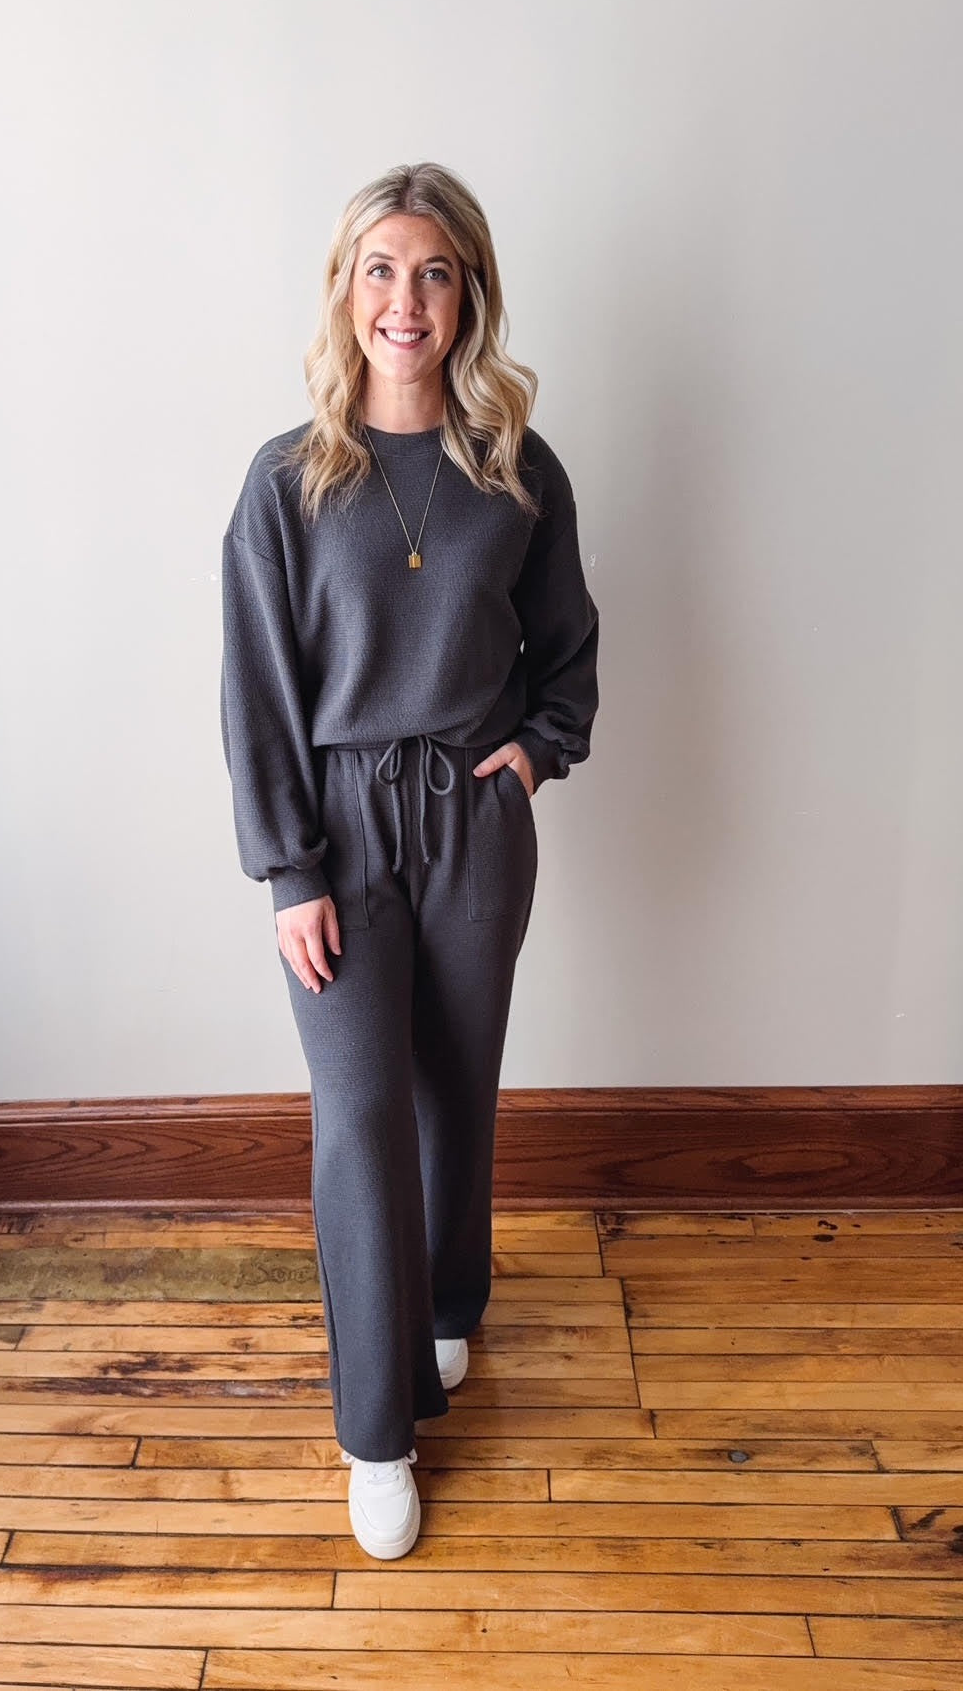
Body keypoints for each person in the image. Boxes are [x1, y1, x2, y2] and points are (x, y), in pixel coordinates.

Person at [219, 161, 599, 1559]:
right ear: (346, 292)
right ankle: (375, 1430)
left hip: (473, 825)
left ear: (469, 295)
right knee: (358, 1114)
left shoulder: (516, 469)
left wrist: (538, 750)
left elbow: (567, 644)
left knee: (456, 1084)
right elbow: (256, 691)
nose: (406, 299)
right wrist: (289, 870)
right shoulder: (286, 484)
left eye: (434, 271)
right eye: (381, 268)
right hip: (338, 829)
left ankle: (450, 1303)